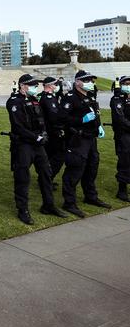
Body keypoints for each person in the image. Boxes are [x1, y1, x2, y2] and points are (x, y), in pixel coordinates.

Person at [6, 74, 67, 225]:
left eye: (35, 85)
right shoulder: (14, 102)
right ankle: (23, 210)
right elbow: (18, 126)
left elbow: (42, 121)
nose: (35, 87)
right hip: (24, 144)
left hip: (38, 144)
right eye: (32, 85)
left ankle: (48, 205)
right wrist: (35, 137)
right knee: (22, 177)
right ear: (22, 86)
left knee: (46, 174)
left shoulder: (34, 100)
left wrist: (44, 133)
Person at [60, 70, 111, 217]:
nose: (91, 83)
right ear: (77, 82)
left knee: (92, 167)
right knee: (75, 169)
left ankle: (90, 196)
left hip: (91, 138)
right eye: (87, 80)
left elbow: (96, 113)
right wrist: (81, 120)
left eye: (91, 80)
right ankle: (69, 202)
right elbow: (62, 119)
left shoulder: (89, 96)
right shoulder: (70, 98)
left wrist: (99, 125)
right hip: (78, 139)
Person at [39, 77, 66, 188]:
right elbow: (54, 116)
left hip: (48, 130)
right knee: (58, 156)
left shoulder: (45, 96)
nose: (57, 85)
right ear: (50, 85)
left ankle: (45, 179)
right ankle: (47, 178)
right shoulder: (48, 98)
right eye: (56, 84)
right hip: (52, 131)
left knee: (49, 156)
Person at [111, 76, 130, 202]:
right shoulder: (117, 99)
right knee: (125, 161)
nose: (128, 85)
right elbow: (120, 119)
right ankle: (122, 190)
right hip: (124, 135)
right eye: (126, 83)